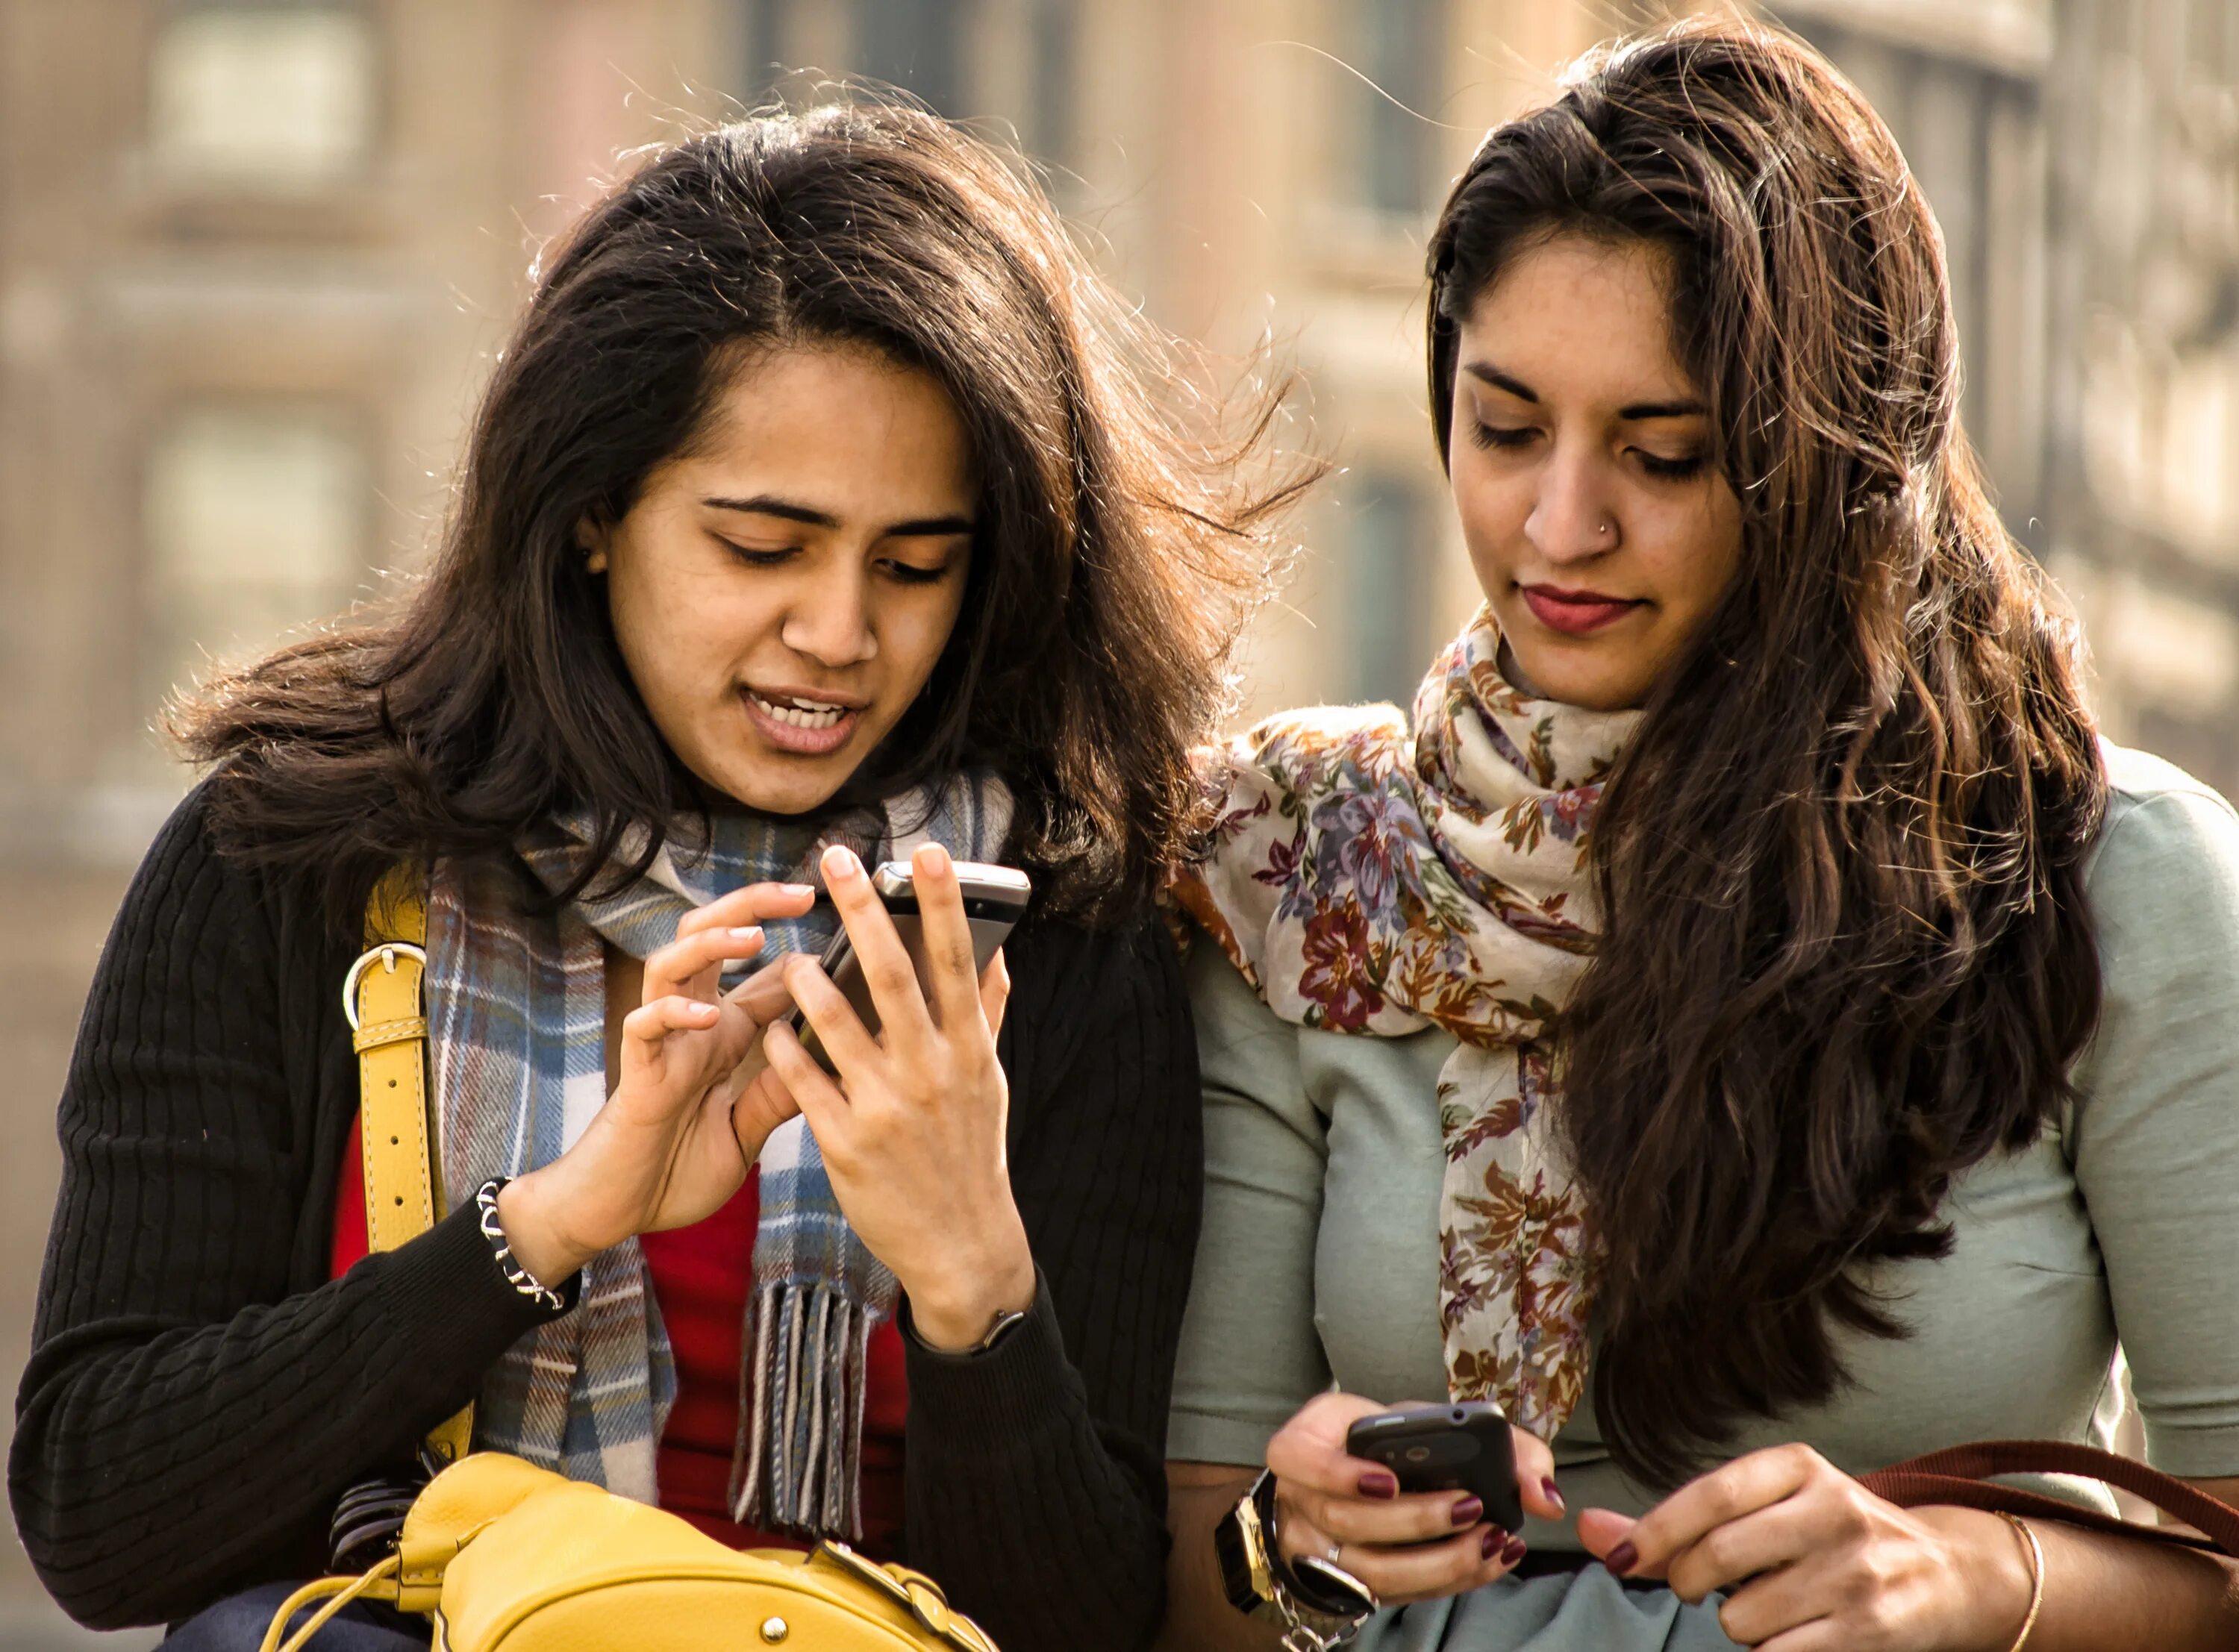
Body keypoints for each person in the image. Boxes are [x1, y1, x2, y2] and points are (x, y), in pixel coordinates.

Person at [11, 104, 1305, 1652]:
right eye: (763, 547)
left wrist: (972, 1272)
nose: (840, 633)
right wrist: (550, 1224)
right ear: (590, 521)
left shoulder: (1056, 939)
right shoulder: (292, 858)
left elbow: (1083, 1629)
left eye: (914, 564)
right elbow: (98, 1517)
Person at [1160, 19, 2239, 1652]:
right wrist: (1279, 1534)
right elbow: (1187, 1591)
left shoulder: (2102, 883)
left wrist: (1969, 1582)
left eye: (1664, 455)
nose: (1560, 526)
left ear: (1832, 467)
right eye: (1506, 427)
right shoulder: (1297, 868)